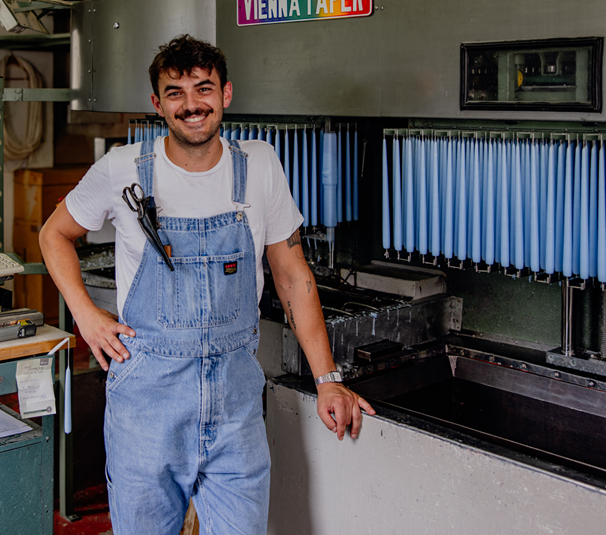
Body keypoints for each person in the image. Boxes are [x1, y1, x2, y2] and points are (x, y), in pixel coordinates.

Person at [39, 34, 374, 534]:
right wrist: (87, 316)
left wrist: (328, 379)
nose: (191, 104)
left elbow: (291, 272)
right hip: (146, 403)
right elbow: (53, 234)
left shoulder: (258, 164)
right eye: (175, 92)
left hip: (235, 400)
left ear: (226, 94)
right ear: (157, 104)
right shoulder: (123, 168)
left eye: (203, 88)